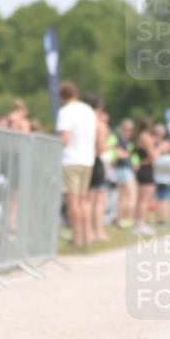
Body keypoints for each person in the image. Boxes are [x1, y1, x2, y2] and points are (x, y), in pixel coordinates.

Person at [55, 81, 96, 248]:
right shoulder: (88, 110)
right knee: (83, 200)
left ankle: (77, 237)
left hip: (71, 159)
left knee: (72, 201)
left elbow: (65, 138)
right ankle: (88, 235)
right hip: (88, 158)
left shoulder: (65, 111)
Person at [83, 94, 110, 242]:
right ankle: (98, 231)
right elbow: (101, 148)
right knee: (99, 200)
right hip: (96, 161)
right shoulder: (99, 124)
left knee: (86, 200)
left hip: (84, 160)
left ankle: (87, 232)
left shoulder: (81, 121)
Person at [133, 117, 157, 235]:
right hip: (147, 168)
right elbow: (152, 156)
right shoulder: (146, 138)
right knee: (144, 199)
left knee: (140, 199)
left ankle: (138, 222)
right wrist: (160, 149)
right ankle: (140, 224)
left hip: (140, 168)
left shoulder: (138, 137)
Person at [113, 118, 137, 229]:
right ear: (122, 129)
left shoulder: (127, 141)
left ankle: (120, 218)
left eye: (131, 130)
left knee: (122, 196)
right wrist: (129, 157)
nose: (129, 132)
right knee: (129, 195)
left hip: (123, 169)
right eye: (127, 129)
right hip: (123, 169)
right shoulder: (119, 140)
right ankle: (124, 218)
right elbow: (118, 153)